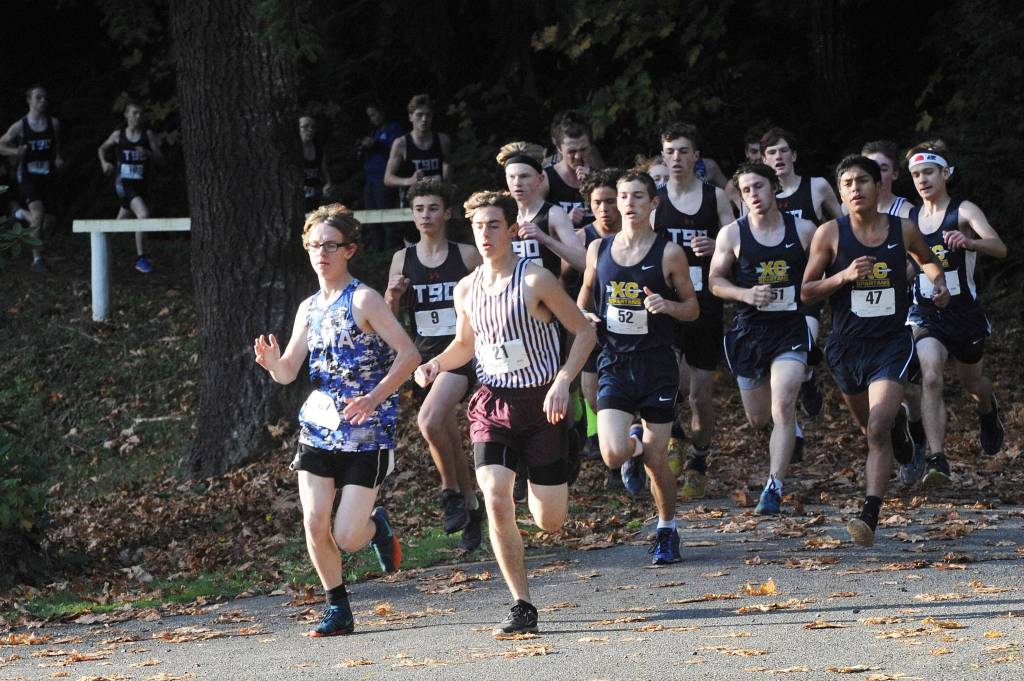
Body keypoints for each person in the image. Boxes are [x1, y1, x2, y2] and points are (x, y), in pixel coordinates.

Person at [414, 190, 596, 635]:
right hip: (492, 404)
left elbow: (584, 333)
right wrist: (437, 363)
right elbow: (464, 346)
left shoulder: (535, 280)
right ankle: (522, 605)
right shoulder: (466, 288)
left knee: (548, 521)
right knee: (495, 498)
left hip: (542, 406)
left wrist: (562, 381)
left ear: (511, 229)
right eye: (478, 226)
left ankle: (562, 457)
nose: (486, 234)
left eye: (494, 225)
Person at [253, 204, 420, 637]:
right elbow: (290, 370)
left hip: (368, 431)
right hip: (318, 429)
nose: (321, 253)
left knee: (347, 536)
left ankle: (375, 525)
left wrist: (373, 397)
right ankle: (337, 607)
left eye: (330, 245)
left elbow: (409, 356)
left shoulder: (364, 299)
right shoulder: (308, 307)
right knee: (313, 521)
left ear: (350, 250)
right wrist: (274, 364)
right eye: (314, 245)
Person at [801, 155, 949, 547]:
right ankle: (901, 429)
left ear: (877, 185)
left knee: (877, 427)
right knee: (870, 428)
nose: (855, 188)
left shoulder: (902, 228)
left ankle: (870, 512)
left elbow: (928, 262)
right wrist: (844, 276)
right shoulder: (830, 234)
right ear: (840, 191)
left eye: (862, 181)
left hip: (890, 343)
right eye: (847, 183)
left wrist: (939, 284)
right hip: (847, 347)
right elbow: (806, 290)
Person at [578, 170, 699, 562]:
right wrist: (586, 317)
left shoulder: (668, 253)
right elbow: (582, 300)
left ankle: (667, 528)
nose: (627, 204)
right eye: (622, 197)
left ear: (653, 204)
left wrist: (667, 306)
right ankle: (632, 442)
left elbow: (692, 309)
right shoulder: (599, 249)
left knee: (655, 460)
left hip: (657, 365)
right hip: (615, 360)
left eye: (637, 197)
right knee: (613, 454)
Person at [709, 162, 816, 514]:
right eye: (746, 190)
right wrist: (745, 294)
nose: (753, 195)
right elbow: (715, 282)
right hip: (749, 333)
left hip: (789, 330)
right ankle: (787, 432)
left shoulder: (803, 230)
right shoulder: (732, 235)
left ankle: (774, 486)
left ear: (774, 189)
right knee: (758, 418)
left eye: (759, 187)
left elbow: (824, 273)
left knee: (783, 405)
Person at [384, 180, 485, 550]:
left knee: (428, 421)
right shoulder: (402, 259)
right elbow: (389, 319)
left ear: (447, 213)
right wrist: (392, 295)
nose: (425, 216)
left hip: (460, 354)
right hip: (423, 356)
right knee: (444, 429)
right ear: (412, 215)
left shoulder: (468, 256)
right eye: (419, 209)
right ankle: (473, 508)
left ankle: (450, 494)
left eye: (432, 208)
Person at [903, 141, 1007, 487]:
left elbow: (999, 247)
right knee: (930, 376)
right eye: (916, 175)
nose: (922, 180)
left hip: (964, 312)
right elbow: (906, 265)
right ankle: (937, 459)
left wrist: (970, 243)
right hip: (926, 311)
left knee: (971, 382)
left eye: (929, 172)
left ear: (945, 173)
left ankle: (987, 409)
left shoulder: (964, 211)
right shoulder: (910, 218)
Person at [652, 123, 733, 498]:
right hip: (667, 305)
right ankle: (676, 437)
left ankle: (699, 457)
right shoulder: (654, 200)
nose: (677, 158)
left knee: (700, 394)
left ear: (696, 156)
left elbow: (738, 242)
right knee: (670, 381)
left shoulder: (714, 197)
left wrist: (716, 244)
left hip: (705, 305)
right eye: (670, 152)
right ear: (663, 157)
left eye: (684, 151)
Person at [761, 127, 843, 420]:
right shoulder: (758, 194)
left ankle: (807, 378)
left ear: (794, 155)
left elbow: (842, 223)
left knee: (806, 341)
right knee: (780, 358)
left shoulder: (816, 186)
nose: (778, 157)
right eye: (771, 152)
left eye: (783, 150)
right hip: (772, 283)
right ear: (763, 159)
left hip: (808, 280)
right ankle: (795, 404)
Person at [573, 168, 626, 483]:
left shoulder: (641, 234)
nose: (604, 209)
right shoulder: (584, 239)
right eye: (597, 203)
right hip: (596, 328)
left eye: (610, 201)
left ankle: (620, 466)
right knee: (592, 396)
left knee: (627, 396)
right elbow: (567, 278)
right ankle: (619, 456)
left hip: (634, 330)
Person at [97, 100, 166, 273]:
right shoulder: (118, 135)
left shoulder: (147, 135)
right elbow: (101, 148)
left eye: (140, 113)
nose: (138, 116)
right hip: (124, 184)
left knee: (119, 225)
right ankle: (141, 258)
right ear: (126, 115)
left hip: (141, 185)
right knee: (143, 214)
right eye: (134, 113)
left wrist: (148, 153)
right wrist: (104, 163)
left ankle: (101, 251)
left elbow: (160, 159)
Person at [498, 141, 586, 277]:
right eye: (511, 177)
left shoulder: (554, 214)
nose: (517, 183)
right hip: (512, 296)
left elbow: (584, 262)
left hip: (547, 295)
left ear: (540, 179)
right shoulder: (499, 214)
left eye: (524, 176)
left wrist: (545, 239)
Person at [0, 84, 63, 273]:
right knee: (38, 212)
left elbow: (56, 145)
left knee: (48, 222)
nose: (43, 101)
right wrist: (14, 151)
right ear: (29, 101)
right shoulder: (20, 125)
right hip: (27, 175)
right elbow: (1, 144)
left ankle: (19, 213)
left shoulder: (54, 123)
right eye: (38, 97)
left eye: (45, 98)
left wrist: (58, 157)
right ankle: (37, 260)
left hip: (47, 174)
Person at [542, 111, 600, 226]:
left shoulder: (601, 178)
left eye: (583, 149)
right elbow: (533, 221)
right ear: (559, 148)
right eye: (572, 151)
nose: (578, 156)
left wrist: (593, 183)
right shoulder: (546, 179)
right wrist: (564, 221)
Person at [358, 102, 403, 251]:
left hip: (384, 180)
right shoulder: (375, 132)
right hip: (370, 180)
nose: (372, 118)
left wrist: (376, 144)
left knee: (387, 215)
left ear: (382, 112)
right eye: (370, 116)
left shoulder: (394, 129)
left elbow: (397, 151)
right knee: (371, 216)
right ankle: (377, 249)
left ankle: (391, 249)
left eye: (374, 114)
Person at [861, 140, 912, 219]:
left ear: (895, 174)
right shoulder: (849, 208)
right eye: (870, 168)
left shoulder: (907, 214)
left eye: (883, 169)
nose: (875, 174)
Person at [298, 114, 332, 214]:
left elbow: (324, 170)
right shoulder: (293, 149)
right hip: (297, 200)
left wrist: (328, 184)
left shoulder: (319, 149)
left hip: (316, 197)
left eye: (313, 127)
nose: (310, 130)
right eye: (305, 126)